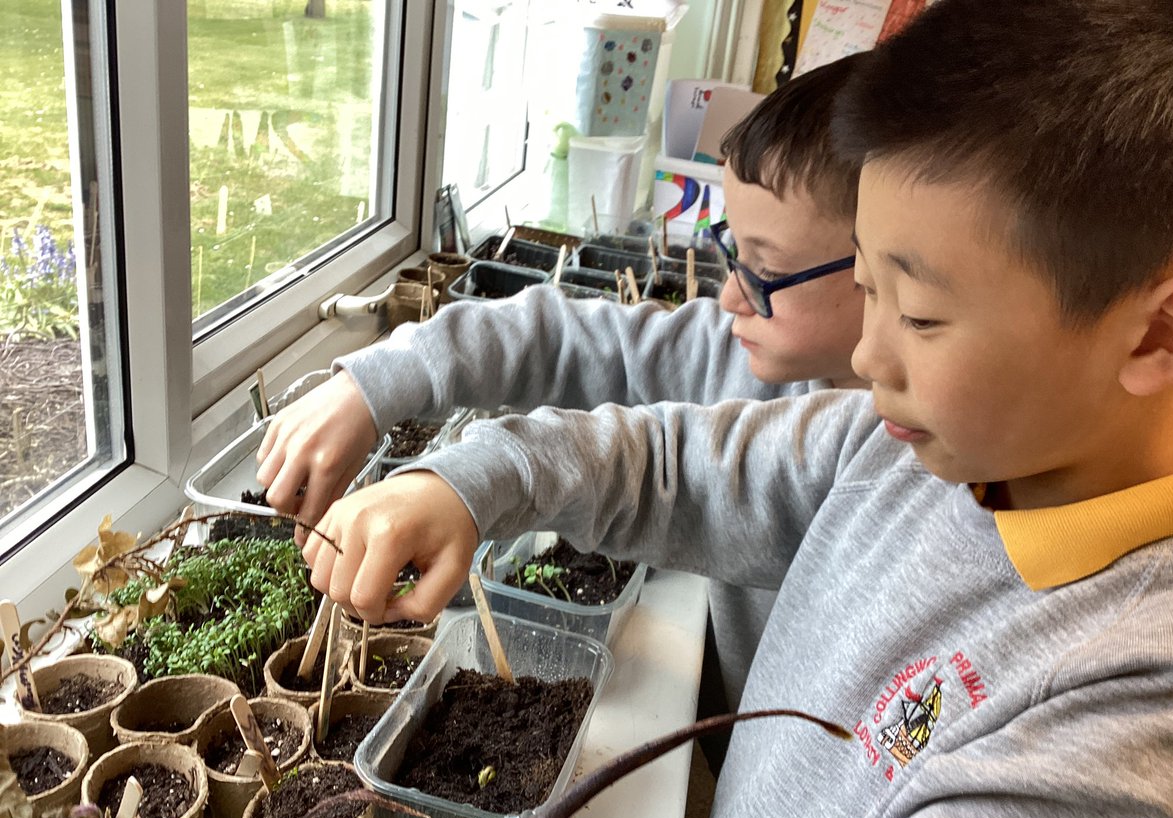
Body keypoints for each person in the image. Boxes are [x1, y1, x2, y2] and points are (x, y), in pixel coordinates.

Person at [288, 0, 1173, 818]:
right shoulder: (922, 447)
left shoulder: (1139, 720)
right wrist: (472, 481)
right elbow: (671, 462)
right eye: (869, 289)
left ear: (1158, 339)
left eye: (919, 314)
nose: (868, 353)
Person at [256, 53, 867, 717]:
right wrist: (375, 386)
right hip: (741, 720)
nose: (729, 299)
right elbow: (563, 337)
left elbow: (661, 469)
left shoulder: (892, 469)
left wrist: (478, 480)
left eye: (767, 271)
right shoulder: (743, 352)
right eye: (731, 252)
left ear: (883, 271)